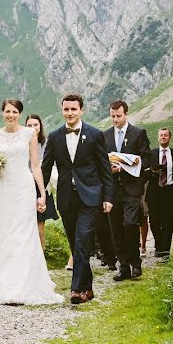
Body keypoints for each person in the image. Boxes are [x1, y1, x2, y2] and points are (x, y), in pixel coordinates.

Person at [0, 99, 63, 305]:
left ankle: (25, 285)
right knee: (7, 234)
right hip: (4, 189)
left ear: (20, 114)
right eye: (7, 111)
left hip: (23, 187)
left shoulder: (29, 134)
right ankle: (7, 288)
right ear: (2, 113)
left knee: (25, 234)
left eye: (14, 111)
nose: (10, 115)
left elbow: (36, 165)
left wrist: (41, 193)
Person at [42, 93, 113, 304]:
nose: (70, 113)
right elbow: (45, 169)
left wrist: (108, 197)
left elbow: (105, 169)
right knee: (75, 244)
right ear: (62, 110)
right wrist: (38, 194)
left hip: (90, 196)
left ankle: (76, 289)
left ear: (81, 110)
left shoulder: (95, 134)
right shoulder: (54, 137)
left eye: (74, 109)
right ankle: (88, 289)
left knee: (82, 241)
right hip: (65, 198)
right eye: (66, 109)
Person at [102, 99, 151, 281]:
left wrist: (125, 166)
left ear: (126, 114)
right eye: (112, 116)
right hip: (112, 190)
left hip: (131, 188)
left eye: (119, 116)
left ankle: (135, 262)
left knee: (130, 224)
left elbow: (146, 160)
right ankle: (123, 266)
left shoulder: (138, 133)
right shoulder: (104, 135)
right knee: (115, 229)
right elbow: (100, 161)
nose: (115, 119)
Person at [145, 128, 173, 261]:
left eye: (166, 135)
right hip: (155, 192)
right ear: (158, 138)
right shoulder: (151, 154)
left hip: (170, 191)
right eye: (161, 135)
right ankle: (158, 245)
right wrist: (152, 171)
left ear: (170, 138)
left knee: (168, 222)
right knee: (155, 222)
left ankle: (165, 251)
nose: (163, 137)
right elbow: (144, 174)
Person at [25, 114, 59, 250]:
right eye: (29, 125)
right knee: (27, 226)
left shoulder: (46, 143)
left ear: (40, 126)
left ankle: (41, 256)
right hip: (26, 185)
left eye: (35, 125)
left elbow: (52, 163)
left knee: (40, 226)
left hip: (42, 186)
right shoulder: (23, 143)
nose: (33, 128)